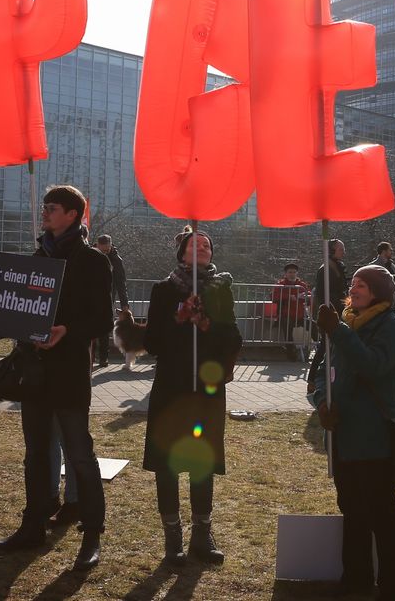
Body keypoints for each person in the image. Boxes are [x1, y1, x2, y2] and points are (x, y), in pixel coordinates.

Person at [0, 185, 111, 571]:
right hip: (34, 373)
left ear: (73, 215)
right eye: (44, 207)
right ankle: (33, 525)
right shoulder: (38, 255)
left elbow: (102, 319)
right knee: (35, 455)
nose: (45, 212)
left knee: (79, 454)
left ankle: (91, 534)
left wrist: (66, 331)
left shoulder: (92, 260)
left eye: (53, 208)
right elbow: (21, 310)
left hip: (70, 373)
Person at [142, 228, 243, 566]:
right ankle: (173, 538)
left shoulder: (221, 289)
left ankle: (203, 534)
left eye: (206, 244)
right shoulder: (163, 290)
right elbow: (152, 343)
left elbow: (233, 338)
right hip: (172, 389)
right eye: (193, 244)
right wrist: (178, 317)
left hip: (206, 390)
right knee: (168, 463)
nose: (200, 247)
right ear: (182, 253)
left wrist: (206, 325)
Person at [310, 265, 395, 600]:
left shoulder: (391, 325)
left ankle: (394, 588)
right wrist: (322, 403)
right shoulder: (343, 323)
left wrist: (338, 331)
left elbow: (373, 365)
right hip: (344, 435)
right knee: (351, 511)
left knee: (383, 516)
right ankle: (355, 580)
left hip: (375, 438)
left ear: (380, 290)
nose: (354, 288)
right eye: (353, 283)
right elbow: (323, 371)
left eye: (363, 284)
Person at [306, 239, 349, 389]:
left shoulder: (336, 266)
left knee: (330, 347)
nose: (343, 251)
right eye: (340, 249)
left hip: (337, 311)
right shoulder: (326, 268)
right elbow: (325, 293)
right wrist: (339, 304)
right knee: (325, 346)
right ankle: (312, 380)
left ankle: (326, 380)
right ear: (332, 250)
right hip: (330, 312)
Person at [93, 234, 128, 367]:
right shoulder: (91, 255)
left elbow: (121, 283)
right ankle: (90, 355)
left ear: (111, 246)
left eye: (107, 250)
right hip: (91, 297)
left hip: (108, 297)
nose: (105, 253)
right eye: (103, 250)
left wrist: (124, 303)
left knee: (104, 328)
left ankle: (103, 358)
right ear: (97, 245)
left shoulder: (116, 260)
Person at [271, 262, 310, 361]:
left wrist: (306, 297)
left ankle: (318, 349)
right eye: (290, 272)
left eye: (294, 272)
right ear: (285, 274)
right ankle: (290, 354)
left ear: (297, 273)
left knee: (313, 326)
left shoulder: (302, 285)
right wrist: (287, 297)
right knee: (288, 330)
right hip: (286, 315)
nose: (292, 274)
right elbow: (273, 296)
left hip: (300, 315)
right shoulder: (280, 284)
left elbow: (309, 297)